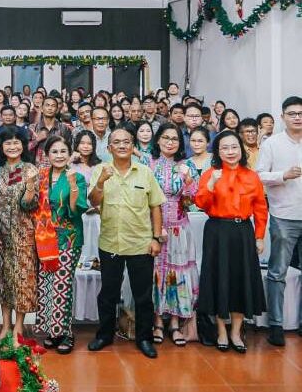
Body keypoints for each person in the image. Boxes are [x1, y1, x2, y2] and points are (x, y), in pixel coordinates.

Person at [87, 128, 166, 359]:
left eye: (126, 142)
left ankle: (144, 338)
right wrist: (100, 182)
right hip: (110, 243)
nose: (122, 145)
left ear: (133, 147)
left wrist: (156, 237)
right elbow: (93, 201)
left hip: (141, 244)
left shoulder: (145, 173)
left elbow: (156, 206)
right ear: (109, 148)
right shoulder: (100, 170)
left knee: (143, 295)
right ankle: (104, 335)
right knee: (108, 294)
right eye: (116, 142)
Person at [195, 130, 267, 353]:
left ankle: (236, 331)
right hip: (217, 231)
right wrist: (210, 185)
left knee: (240, 279)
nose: (230, 152)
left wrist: (259, 236)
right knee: (218, 279)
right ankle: (221, 331)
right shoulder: (210, 174)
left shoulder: (251, 176)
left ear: (241, 149)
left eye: (234, 147)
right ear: (217, 151)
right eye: (224, 148)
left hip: (243, 231)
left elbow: (260, 209)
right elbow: (201, 203)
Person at [0, 127, 39, 347]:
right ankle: (5, 326)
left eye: (17, 143)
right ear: (1, 147)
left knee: (22, 281)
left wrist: (31, 185)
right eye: (8, 143)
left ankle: (18, 327)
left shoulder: (30, 169)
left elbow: (29, 205)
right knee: (2, 280)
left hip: (23, 233)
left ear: (23, 146)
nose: (13, 147)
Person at [145, 123, 199, 347]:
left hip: (178, 228)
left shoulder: (187, 166)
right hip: (152, 227)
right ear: (157, 140)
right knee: (155, 272)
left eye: (174, 139)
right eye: (165, 138)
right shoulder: (148, 164)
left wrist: (187, 182)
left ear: (180, 143)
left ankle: (175, 322)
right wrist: (155, 229)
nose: (170, 142)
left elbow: (192, 200)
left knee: (176, 274)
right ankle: (157, 321)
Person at [34, 135, 88, 353]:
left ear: (70, 154)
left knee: (62, 286)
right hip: (43, 238)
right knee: (46, 285)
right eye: (54, 152)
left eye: (63, 151)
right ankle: (51, 331)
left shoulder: (76, 177)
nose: (59, 156)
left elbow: (75, 211)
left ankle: (66, 333)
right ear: (47, 155)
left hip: (68, 238)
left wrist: (73, 186)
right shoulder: (40, 176)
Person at [256, 95, 302, 346]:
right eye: (292, 113)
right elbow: (259, 175)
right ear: (283, 116)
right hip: (284, 215)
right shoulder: (273, 144)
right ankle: (276, 324)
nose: (297, 117)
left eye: (301, 113)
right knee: (277, 273)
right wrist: (283, 175)